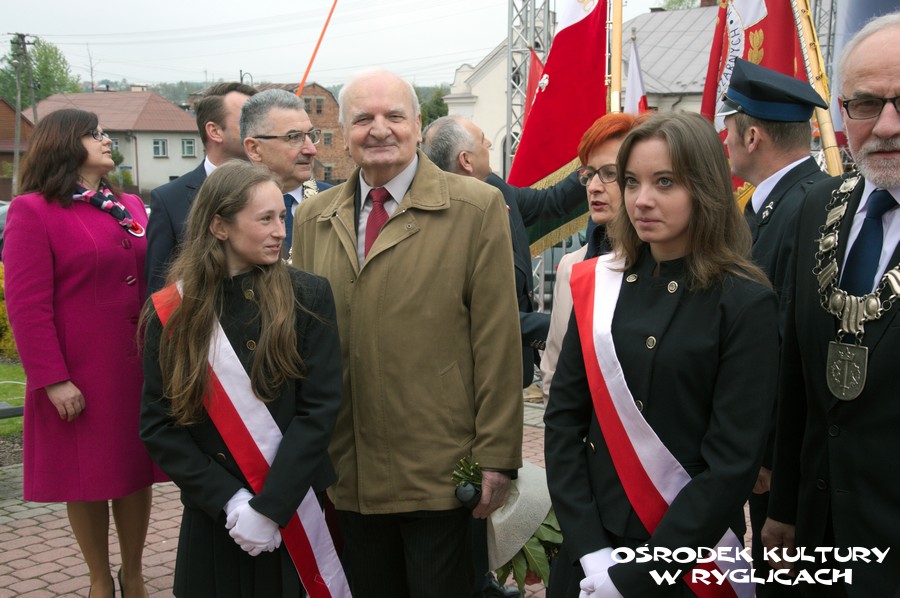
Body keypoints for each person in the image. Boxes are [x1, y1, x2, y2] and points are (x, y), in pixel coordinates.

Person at [292, 69, 523, 597]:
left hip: (441, 471)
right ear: (343, 133)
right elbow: (305, 342)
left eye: (394, 116)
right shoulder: (312, 218)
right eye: (363, 119)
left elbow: (496, 341)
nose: (379, 129)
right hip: (347, 472)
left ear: (418, 125)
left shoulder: (475, 207)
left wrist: (496, 455)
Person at [544, 111, 778, 597]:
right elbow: (564, 421)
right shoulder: (599, 284)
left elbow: (731, 464)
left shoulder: (744, 302)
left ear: (705, 188)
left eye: (665, 182)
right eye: (631, 181)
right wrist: (591, 551)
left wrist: (634, 577)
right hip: (591, 554)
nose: (641, 199)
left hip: (685, 564)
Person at [139, 160, 348, 597]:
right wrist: (231, 501)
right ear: (219, 226)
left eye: (282, 217)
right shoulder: (172, 311)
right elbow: (159, 425)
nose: (280, 231)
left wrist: (269, 507)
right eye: (265, 219)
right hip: (218, 520)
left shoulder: (308, 295)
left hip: (295, 508)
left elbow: (319, 410)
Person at [762, 12, 900, 597]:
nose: (886, 125)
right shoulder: (818, 207)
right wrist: (784, 505)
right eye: (865, 104)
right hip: (818, 543)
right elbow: (796, 369)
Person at [3, 108, 166, 598]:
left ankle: (133, 575)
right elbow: (27, 305)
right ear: (65, 143)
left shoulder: (129, 205)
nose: (107, 139)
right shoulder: (34, 211)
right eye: (95, 134)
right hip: (81, 373)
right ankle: (99, 579)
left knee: (135, 472)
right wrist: (52, 379)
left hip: (135, 368)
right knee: (87, 477)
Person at [719, 58, 829, 597]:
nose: (725, 141)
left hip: (787, 462)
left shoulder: (806, 206)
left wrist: (767, 457)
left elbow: (789, 347)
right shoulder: (781, 203)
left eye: (729, 129)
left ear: (753, 135)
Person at [423, 114, 584, 389]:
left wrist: (593, 168)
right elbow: (474, 314)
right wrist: (557, 327)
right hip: (469, 378)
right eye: (481, 140)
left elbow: (551, 201)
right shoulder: (439, 227)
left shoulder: (496, 190)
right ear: (466, 160)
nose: (488, 142)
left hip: (510, 371)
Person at [539, 113, 646, 407]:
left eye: (609, 173)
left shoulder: (666, 264)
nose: (593, 186)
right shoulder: (571, 267)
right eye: (589, 174)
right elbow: (554, 369)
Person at [145, 81, 258, 293]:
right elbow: (160, 293)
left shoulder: (277, 188)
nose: (260, 127)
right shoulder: (170, 200)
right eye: (248, 119)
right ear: (214, 131)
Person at [240, 89, 332, 260]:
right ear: (254, 149)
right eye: (294, 137)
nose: (311, 150)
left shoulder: (337, 203)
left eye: (311, 135)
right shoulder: (230, 206)